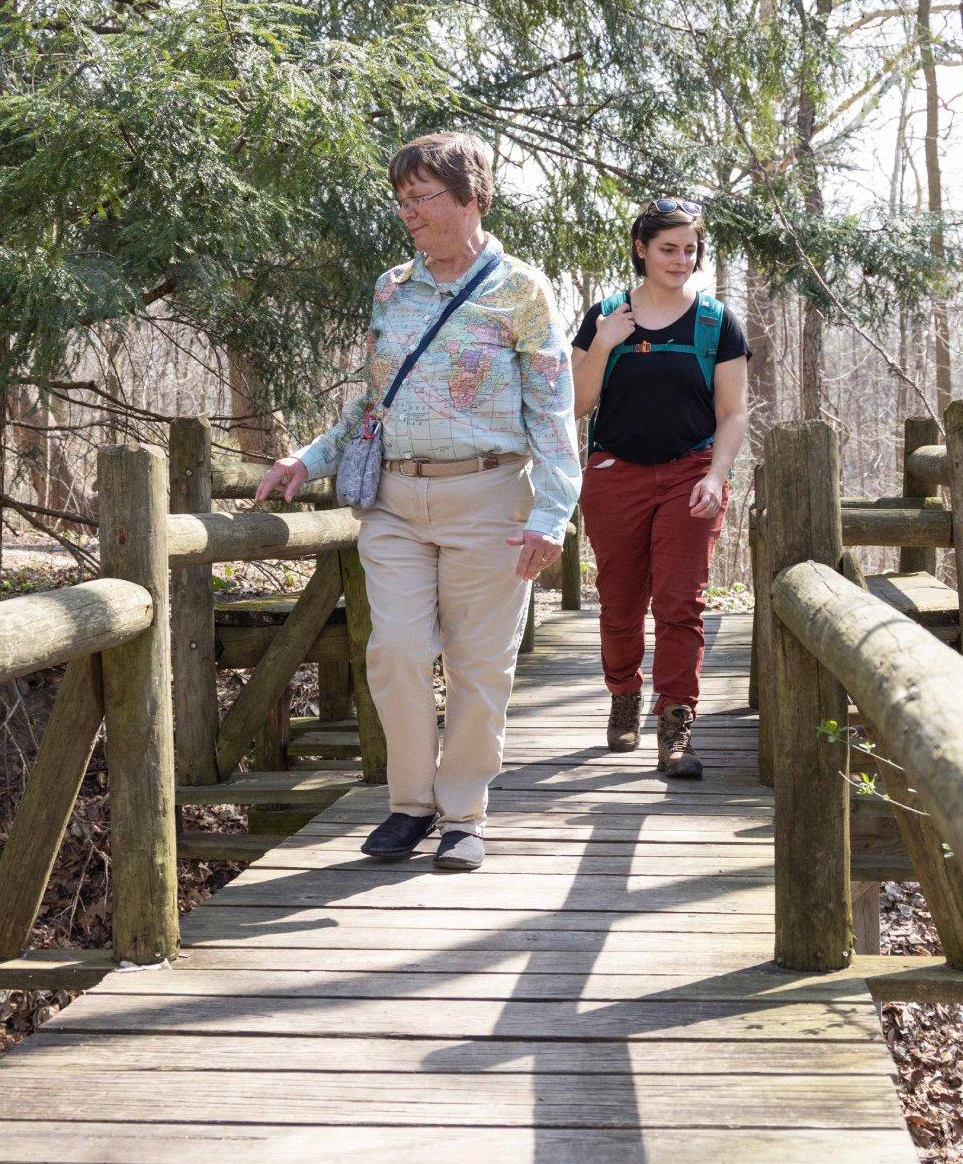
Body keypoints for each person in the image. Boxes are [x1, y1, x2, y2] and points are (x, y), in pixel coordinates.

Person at [254, 131, 580, 873]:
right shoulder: (391, 288)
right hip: (396, 498)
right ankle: (410, 802)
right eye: (401, 199)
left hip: (492, 496)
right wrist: (310, 457)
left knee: (478, 664)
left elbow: (554, 412)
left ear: (471, 198)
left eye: (422, 197)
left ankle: (464, 810)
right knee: (395, 649)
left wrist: (551, 513)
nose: (409, 212)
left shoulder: (520, 289)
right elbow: (372, 400)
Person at [570, 197, 750, 778]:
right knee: (621, 604)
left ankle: (676, 728)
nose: (680, 259)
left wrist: (716, 475)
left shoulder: (716, 323)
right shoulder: (604, 315)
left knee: (680, 603)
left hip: (689, 474)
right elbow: (577, 405)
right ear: (641, 249)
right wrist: (603, 343)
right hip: (614, 475)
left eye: (690, 249)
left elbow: (734, 412)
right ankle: (625, 696)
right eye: (667, 248)